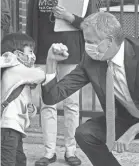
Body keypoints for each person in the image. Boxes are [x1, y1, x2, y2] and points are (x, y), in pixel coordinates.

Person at [42, 12, 139, 166]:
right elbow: (51, 97)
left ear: (109, 41)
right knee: (85, 133)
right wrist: (51, 61)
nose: (87, 47)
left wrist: (133, 130)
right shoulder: (91, 61)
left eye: (90, 41)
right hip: (125, 117)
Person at [26, 0, 99, 166]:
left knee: (71, 103)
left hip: (72, 50)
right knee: (47, 103)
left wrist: (70, 17)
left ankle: (70, 150)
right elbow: (31, 23)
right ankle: (49, 151)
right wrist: (31, 50)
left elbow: (93, 24)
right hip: (44, 51)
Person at [1, 33, 46, 166]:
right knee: (9, 161)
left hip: (13, 127)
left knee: (18, 159)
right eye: (30, 51)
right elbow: (40, 75)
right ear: (18, 54)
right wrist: (51, 62)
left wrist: (30, 109)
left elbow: (23, 102)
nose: (33, 55)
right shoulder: (16, 69)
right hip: (8, 126)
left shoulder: (18, 73)